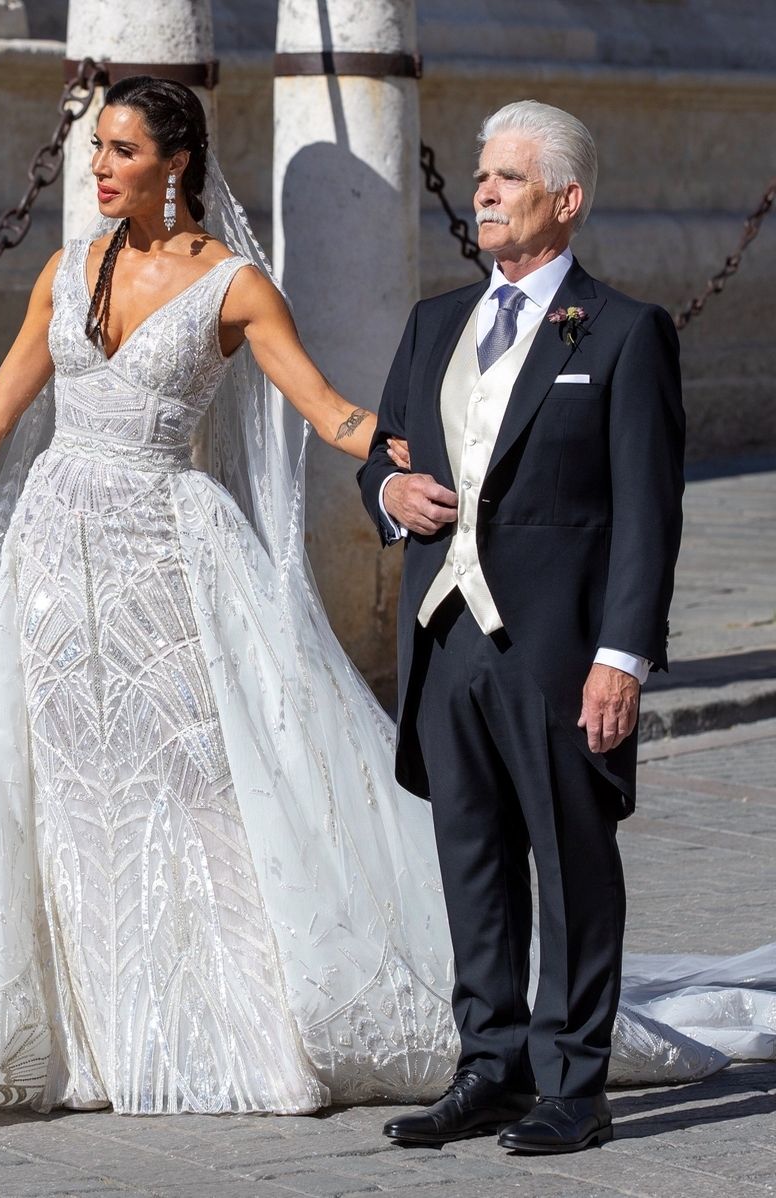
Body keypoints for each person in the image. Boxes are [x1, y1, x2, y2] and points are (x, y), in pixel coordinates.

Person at [0, 80, 775, 1124]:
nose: (99, 166)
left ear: (176, 162)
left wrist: (384, 458)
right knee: (60, 790)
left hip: (169, 565)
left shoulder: (237, 286)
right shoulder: (68, 270)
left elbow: (330, 406)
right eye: (95, 148)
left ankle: (278, 1026)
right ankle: (81, 1024)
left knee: (197, 799)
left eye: (119, 148)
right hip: (54, 565)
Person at [359, 99, 684, 1153]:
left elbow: (648, 511)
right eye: (482, 175)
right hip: (446, 639)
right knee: (473, 861)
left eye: (507, 177)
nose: (485, 191)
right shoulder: (432, 321)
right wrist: (385, 496)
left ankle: (572, 1083)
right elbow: (388, 456)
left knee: (573, 863)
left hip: (559, 648)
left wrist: (620, 658)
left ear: (566, 199)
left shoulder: (626, 333)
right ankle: (487, 1066)